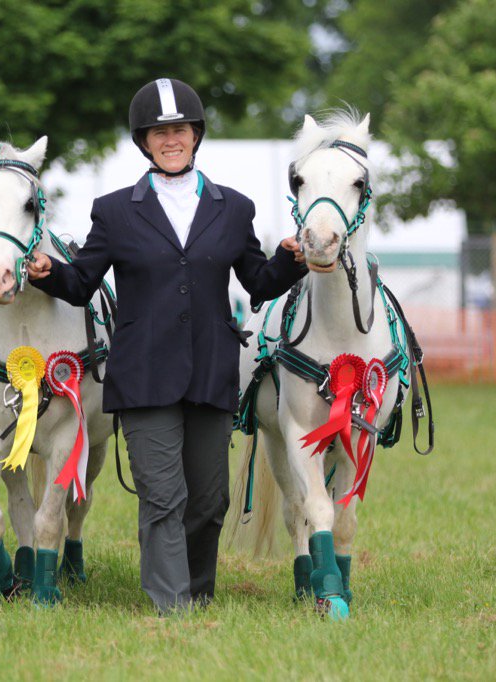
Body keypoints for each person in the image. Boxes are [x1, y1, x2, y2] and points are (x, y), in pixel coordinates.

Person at [26, 77, 307, 614]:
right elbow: (82, 283)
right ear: (144, 142)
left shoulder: (233, 208)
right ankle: (170, 607)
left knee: (208, 501)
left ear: (195, 135)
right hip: (144, 376)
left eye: (179, 130)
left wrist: (290, 259)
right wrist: (46, 274)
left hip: (211, 373)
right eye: (159, 133)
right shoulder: (114, 211)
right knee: (163, 496)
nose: (170, 139)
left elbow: (259, 282)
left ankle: (198, 597)